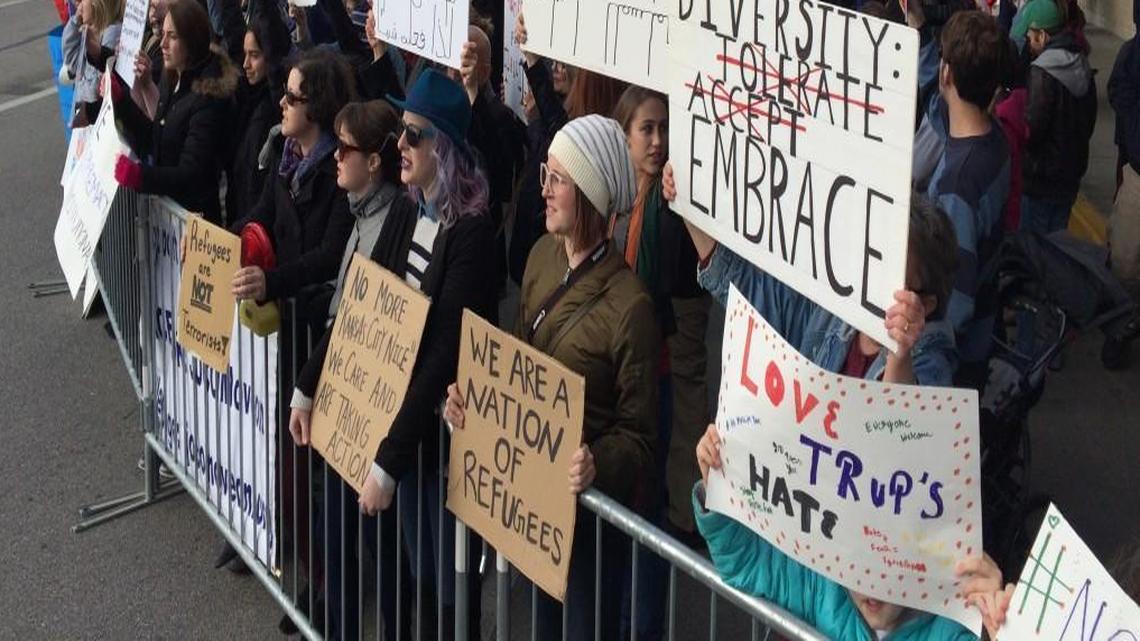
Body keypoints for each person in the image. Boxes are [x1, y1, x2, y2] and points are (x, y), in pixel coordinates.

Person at [289, 69, 497, 636]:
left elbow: (441, 353)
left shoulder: (472, 234)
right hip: (408, 434)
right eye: (401, 132)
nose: (399, 146)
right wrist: (308, 384)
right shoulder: (408, 208)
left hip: (440, 440)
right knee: (418, 579)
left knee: (448, 596)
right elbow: (364, 301)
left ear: (444, 148)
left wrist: (386, 462)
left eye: (413, 136)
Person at [444, 114, 658, 641]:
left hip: (587, 520)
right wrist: (472, 400)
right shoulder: (540, 256)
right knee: (539, 625)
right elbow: (515, 360)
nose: (544, 189)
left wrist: (597, 463)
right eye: (547, 173)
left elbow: (641, 436)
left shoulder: (632, 306)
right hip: (530, 499)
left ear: (589, 193)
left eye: (558, 178)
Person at [693, 424, 1015, 640]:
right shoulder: (823, 586)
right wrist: (720, 485)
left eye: (887, 564)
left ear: (925, 553)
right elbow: (748, 563)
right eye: (858, 560)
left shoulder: (956, 627)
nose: (868, 586)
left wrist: (1005, 631)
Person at [609, 85, 707, 641]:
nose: (657, 140)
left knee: (643, 513)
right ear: (623, 136)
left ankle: (640, 628)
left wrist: (685, 204)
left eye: (664, 129)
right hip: (615, 376)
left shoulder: (673, 203)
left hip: (656, 376)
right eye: (646, 129)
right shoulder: (613, 202)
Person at [312, 99, 412, 641]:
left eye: (345, 148)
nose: (335, 157)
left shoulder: (390, 220)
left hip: (364, 401)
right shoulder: (361, 214)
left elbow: (357, 319)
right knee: (344, 532)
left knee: (373, 540)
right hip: (341, 390)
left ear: (373, 161)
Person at [915, 9, 1012, 386]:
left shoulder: (958, 184)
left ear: (947, 74)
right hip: (986, 324)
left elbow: (955, 299)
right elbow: (942, 114)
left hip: (959, 354)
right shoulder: (994, 141)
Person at [114, 0, 237, 225]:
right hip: (170, 223)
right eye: (164, 34)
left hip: (196, 224)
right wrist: (120, 102)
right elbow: (156, 136)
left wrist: (142, 177)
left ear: (191, 41)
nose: (162, 43)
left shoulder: (208, 99)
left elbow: (190, 173)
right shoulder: (174, 79)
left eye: (172, 36)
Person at [1013, 0, 1098, 234]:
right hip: (1070, 177)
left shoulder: (1042, 70)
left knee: (1034, 250)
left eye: (1030, 36)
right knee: (1057, 243)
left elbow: (1032, 128)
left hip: (1041, 180)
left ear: (1042, 35)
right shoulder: (1081, 62)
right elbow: (1089, 121)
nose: (1028, 43)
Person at [225, 2, 291, 224]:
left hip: (258, 230)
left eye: (254, 55)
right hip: (240, 216)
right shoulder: (246, 100)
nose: (245, 64)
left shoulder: (274, 106)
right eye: (245, 54)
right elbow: (232, 31)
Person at [1104, 8, 1140, 369]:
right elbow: (1119, 93)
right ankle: (1120, 329)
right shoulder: (1132, 53)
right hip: (1138, 174)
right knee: (1126, 263)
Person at [61, 0, 124, 127]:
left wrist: (81, 94)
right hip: (90, 118)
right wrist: (74, 23)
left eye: (83, 1)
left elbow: (97, 87)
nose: (77, 4)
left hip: (102, 121)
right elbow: (72, 62)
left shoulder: (112, 33)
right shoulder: (92, 31)